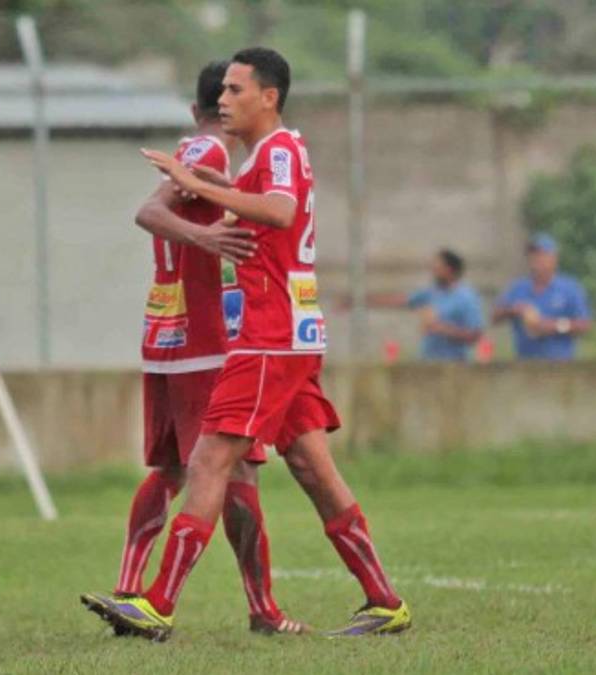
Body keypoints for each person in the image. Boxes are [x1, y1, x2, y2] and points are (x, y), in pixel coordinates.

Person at [84, 47, 410, 641]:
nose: (223, 100)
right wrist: (222, 187)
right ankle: (385, 602)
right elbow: (268, 210)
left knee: (208, 460)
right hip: (291, 335)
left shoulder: (279, 149)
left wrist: (192, 182)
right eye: (222, 91)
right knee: (312, 468)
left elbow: (280, 212)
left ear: (269, 96)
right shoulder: (265, 156)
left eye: (236, 90)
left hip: (269, 337)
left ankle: (156, 604)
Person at [80, 61, 308, 636]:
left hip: (169, 332)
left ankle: (131, 590)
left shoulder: (199, 154)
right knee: (237, 472)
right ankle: (260, 609)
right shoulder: (210, 150)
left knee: (176, 470)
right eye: (228, 91)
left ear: (191, 108)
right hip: (204, 339)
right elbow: (150, 212)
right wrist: (206, 234)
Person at [360, 249, 484, 361]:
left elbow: (475, 335)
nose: (433, 271)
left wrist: (441, 328)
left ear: (449, 269)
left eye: (437, 267)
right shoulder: (432, 292)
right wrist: (361, 301)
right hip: (427, 362)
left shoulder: (467, 297)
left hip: (454, 364)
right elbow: (402, 300)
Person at [493, 233, 592, 360]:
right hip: (525, 362)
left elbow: (583, 325)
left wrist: (553, 326)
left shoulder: (570, 288)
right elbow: (495, 317)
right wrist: (513, 310)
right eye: (533, 254)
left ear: (554, 258)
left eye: (542, 254)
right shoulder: (518, 288)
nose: (536, 259)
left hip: (561, 363)